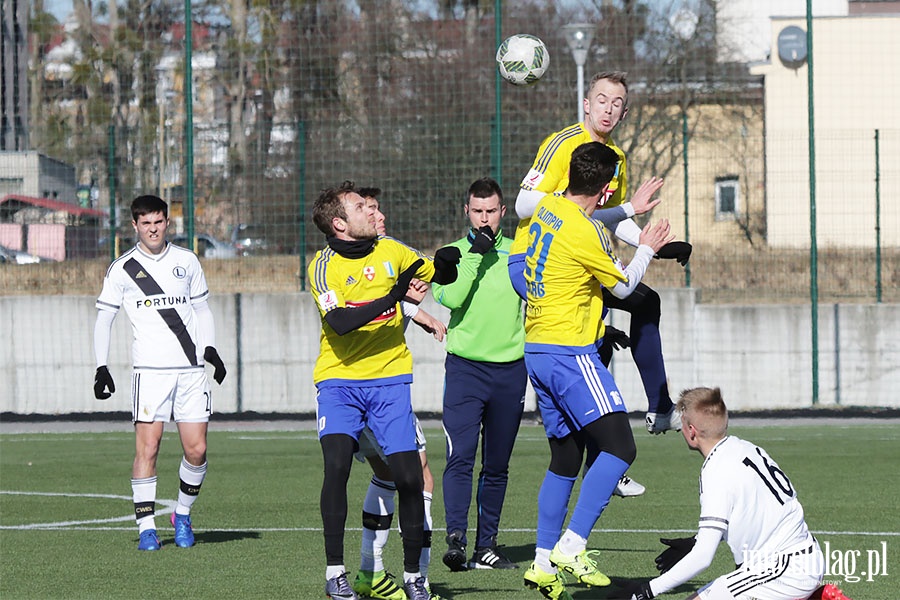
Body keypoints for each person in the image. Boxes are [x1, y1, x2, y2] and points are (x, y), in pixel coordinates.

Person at [509, 71, 692, 455]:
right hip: (533, 260)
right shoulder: (562, 143)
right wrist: (577, 204)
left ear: (624, 114)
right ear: (587, 104)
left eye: (618, 104)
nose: (609, 109)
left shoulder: (616, 159)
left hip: (575, 261)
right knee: (595, 328)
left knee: (639, 306)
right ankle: (601, 446)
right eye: (603, 100)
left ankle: (655, 409)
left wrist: (647, 242)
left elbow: (607, 216)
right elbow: (523, 204)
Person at [520, 142, 673, 600]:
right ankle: (573, 544)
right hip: (571, 352)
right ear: (606, 189)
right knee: (621, 447)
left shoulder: (545, 209)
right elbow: (625, 286)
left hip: (537, 349)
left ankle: (542, 564)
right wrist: (645, 246)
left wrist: (630, 207)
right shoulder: (584, 232)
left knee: (565, 460)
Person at [309, 181, 461, 600]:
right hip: (339, 381)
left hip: (390, 381)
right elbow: (340, 322)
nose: (373, 213)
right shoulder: (322, 266)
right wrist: (394, 297)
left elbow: (435, 274)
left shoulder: (393, 249)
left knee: (410, 478)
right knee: (337, 466)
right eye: (361, 208)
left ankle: (413, 577)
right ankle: (336, 573)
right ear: (340, 223)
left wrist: (449, 263)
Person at [92, 194, 227, 551]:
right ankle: (146, 528)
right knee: (148, 448)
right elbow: (104, 318)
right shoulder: (123, 268)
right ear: (134, 226)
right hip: (150, 374)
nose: (153, 229)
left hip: (191, 371)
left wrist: (210, 348)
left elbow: (202, 310)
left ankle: (182, 514)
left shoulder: (187, 261)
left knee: (196, 450)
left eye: (159, 222)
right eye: (146, 223)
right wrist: (100, 366)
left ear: (168, 223)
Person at [619, 386, 837, 600]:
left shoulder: (716, 471)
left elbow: (703, 558)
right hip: (804, 557)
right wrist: (695, 541)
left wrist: (645, 591)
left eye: (681, 422)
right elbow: (752, 513)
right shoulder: (745, 447)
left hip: (784, 571)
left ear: (691, 431)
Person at [351, 186, 445, 600]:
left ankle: (369, 573)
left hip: (351, 390)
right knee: (420, 476)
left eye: (378, 208)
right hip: (377, 389)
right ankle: (417, 578)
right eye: (369, 210)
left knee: (385, 474)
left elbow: (397, 291)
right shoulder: (370, 257)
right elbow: (380, 299)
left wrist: (416, 310)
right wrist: (414, 306)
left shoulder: (374, 256)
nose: (380, 216)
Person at [430, 178, 527, 573]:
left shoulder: (518, 253)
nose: (484, 219)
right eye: (477, 211)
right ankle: (456, 538)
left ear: (503, 212)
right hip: (466, 370)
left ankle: (487, 545)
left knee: (497, 464)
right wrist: (475, 253)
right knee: (460, 457)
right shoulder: (452, 254)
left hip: (510, 372)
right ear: (466, 212)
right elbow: (450, 297)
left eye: (491, 211)